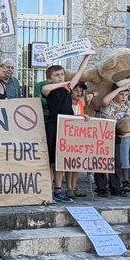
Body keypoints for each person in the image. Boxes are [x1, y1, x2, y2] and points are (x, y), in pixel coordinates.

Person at [40, 56, 91, 204]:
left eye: (62, 74)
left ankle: (58, 189)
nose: (61, 77)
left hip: (67, 127)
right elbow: (45, 88)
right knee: (52, 160)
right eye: (57, 75)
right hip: (54, 125)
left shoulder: (67, 89)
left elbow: (80, 72)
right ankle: (48, 189)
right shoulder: (49, 89)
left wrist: (86, 57)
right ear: (49, 78)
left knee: (61, 160)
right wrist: (63, 83)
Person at [96, 84, 130, 197]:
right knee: (101, 163)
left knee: (116, 163)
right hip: (102, 136)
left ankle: (115, 187)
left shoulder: (125, 107)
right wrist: (119, 88)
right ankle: (101, 188)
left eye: (126, 95)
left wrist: (129, 133)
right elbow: (104, 101)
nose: (124, 97)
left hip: (115, 136)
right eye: (121, 94)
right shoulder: (108, 104)